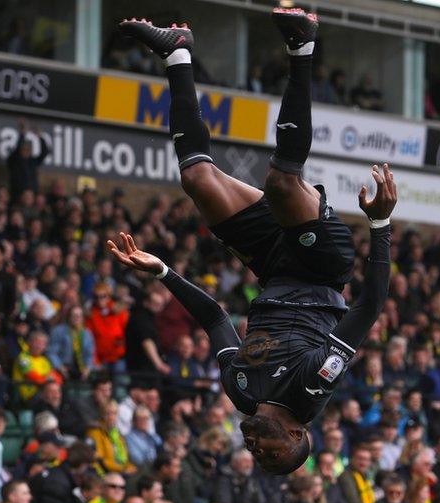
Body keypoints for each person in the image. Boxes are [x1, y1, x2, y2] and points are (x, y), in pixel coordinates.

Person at [117, 10, 396, 476]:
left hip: (271, 267)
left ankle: (177, 53)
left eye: (256, 456)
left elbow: (213, 316)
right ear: (296, 435)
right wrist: (382, 223)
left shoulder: (241, 390)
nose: (256, 448)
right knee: (283, 184)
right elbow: (368, 309)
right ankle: (302, 47)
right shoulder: (312, 388)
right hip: (321, 266)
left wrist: (163, 271)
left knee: (197, 179)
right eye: (271, 452)